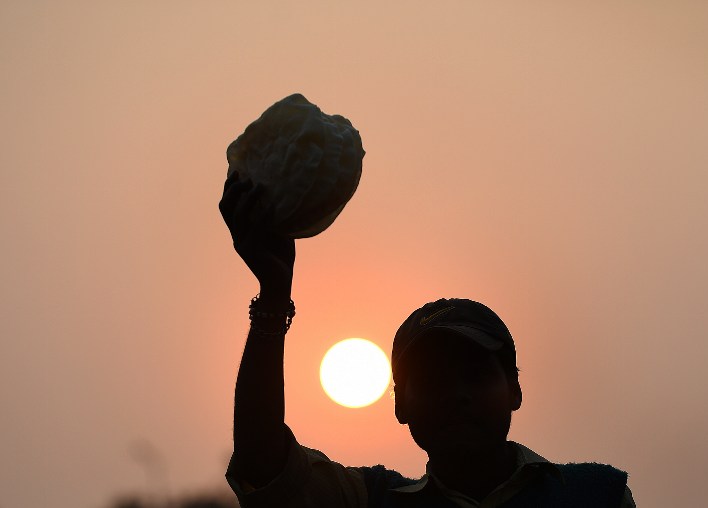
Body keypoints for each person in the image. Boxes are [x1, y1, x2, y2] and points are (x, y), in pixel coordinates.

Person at [219, 173, 636, 507]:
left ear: (515, 388)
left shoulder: (597, 495)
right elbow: (264, 467)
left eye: (474, 374)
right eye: (432, 380)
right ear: (400, 404)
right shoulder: (372, 500)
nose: (455, 395)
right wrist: (274, 294)